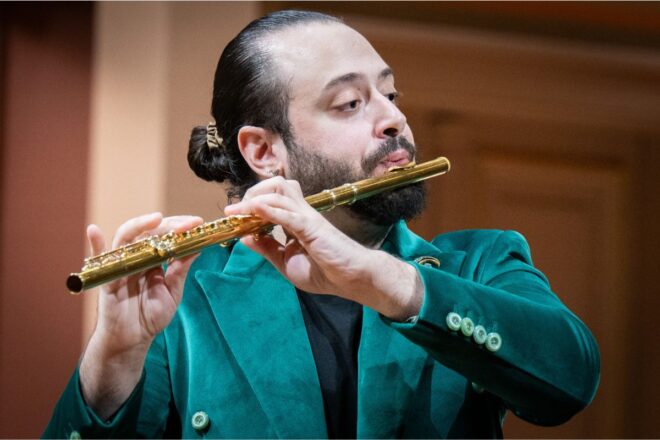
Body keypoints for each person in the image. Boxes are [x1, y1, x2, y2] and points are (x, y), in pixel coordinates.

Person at [44, 10, 600, 439]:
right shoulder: (185, 297)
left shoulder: (479, 263)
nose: (394, 118)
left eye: (389, 93)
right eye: (351, 103)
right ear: (263, 151)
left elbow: (570, 377)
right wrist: (110, 364)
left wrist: (385, 281)